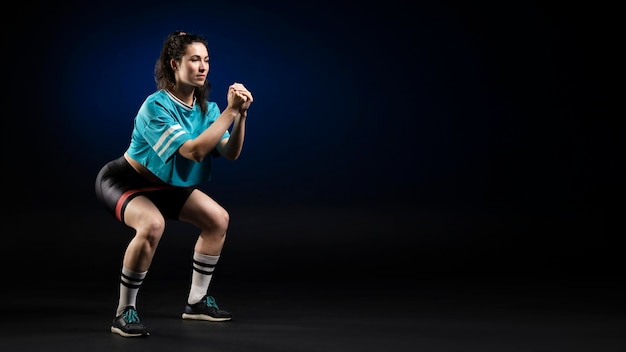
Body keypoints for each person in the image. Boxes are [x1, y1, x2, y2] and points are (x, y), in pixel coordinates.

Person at [94, 30, 253, 338]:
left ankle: (196, 303)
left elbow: (229, 153)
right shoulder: (155, 107)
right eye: (194, 59)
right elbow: (193, 151)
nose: (203, 66)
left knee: (218, 219)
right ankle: (123, 311)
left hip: (166, 185)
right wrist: (231, 111)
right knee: (152, 225)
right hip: (125, 180)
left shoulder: (208, 110)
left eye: (206, 60)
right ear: (174, 64)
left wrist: (241, 117)